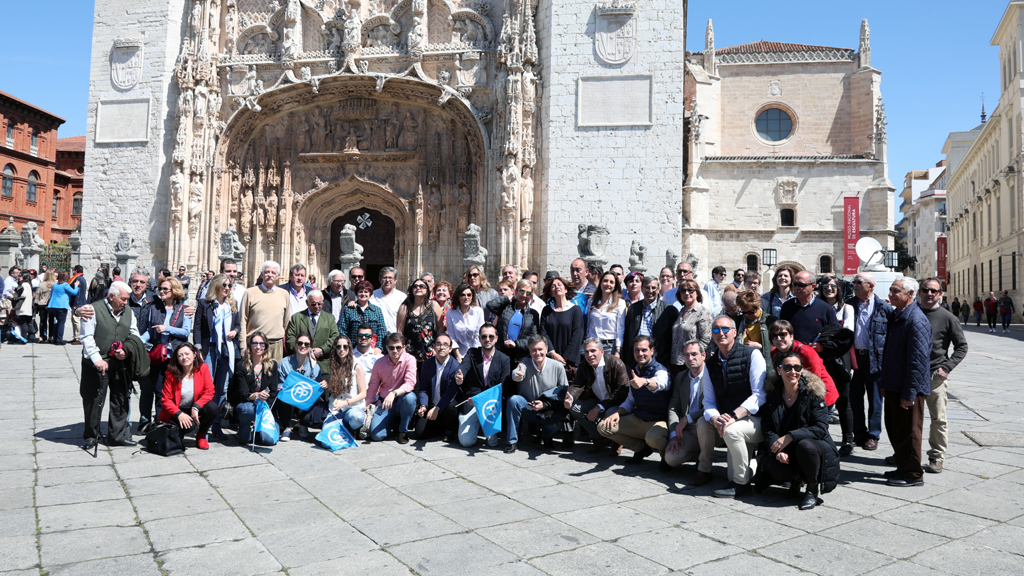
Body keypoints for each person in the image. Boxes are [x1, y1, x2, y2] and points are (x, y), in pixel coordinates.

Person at [755, 351, 840, 509]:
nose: (793, 371)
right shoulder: (773, 393)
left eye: (797, 367)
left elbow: (820, 428)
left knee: (805, 446)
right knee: (774, 469)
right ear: (779, 370)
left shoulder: (812, 392)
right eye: (787, 367)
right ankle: (795, 479)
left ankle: (812, 489)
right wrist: (776, 447)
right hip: (787, 447)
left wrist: (790, 437)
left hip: (814, 447)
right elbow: (767, 426)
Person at [699, 315, 767, 498]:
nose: (720, 333)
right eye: (715, 330)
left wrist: (733, 416)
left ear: (735, 333)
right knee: (702, 422)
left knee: (732, 432)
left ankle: (741, 485)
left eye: (725, 329)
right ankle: (705, 470)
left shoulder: (752, 355)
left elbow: (759, 395)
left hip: (756, 419)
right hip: (728, 420)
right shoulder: (710, 364)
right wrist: (716, 418)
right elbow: (709, 401)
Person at [880, 277, 932, 487]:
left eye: (896, 291)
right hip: (894, 385)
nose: (891, 294)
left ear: (910, 294)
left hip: (907, 388)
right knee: (896, 430)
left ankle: (912, 474)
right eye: (891, 290)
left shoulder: (916, 320)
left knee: (910, 433)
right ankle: (903, 467)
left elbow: (918, 362)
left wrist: (909, 393)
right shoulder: (898, 315)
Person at [80, 281, 143, 449]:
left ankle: (117, 435)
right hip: (96, 363)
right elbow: (86, 337)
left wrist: (127, 350)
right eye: (123, 299)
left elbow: (134, 334)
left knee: (120, 398)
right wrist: (97, 359)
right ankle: (91, 435)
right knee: (94, 399)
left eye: (127, 299)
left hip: (119, 363)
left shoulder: (128, 312)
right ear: (111, 296)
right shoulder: (92, 310)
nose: (125, 302)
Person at [917, 278, 968, 474]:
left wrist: (947, 367)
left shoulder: (948, 318)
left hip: (934, 375)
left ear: (940, 294)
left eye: (933, 291)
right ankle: (905, 454)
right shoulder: (911, 313)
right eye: (925, 290)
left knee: (938, 418)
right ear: (919, 292)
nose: (929, 294)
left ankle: (936, 456)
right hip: (911, 375)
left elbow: (962, 346)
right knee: (908, 418)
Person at [598, 336, 672, 465]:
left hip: (658, 421)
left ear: (652, 350)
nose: (640, 354)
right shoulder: (634, 370)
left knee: (653, 438)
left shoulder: (661, 370)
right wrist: (617, 413)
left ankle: (665, 457)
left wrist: (645, 381)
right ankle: (641, 449)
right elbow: (630, 401)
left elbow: (661, 383)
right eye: (637, 350)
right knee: (604, 427)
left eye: (644, 350)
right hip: (639, 420)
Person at [846, 272, 893, 452]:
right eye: (854, 282)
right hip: (854, 358)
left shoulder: (883, 307)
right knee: (855, 398)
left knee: (875, 400)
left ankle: (873, 436)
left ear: (870, 286)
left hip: (875, 359)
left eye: (859, 282)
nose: (854, 285)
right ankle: (859, 433)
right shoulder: (849, 305)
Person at [140, 276, 193, 428]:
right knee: (159, 391)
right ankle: (159, 423)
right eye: (160, 288)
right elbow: (150, 331)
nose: (161, 291)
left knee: (174, 392)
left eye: (165, 289)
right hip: (158, 356)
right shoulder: (154, 308)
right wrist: (137, 341)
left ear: (174, 291)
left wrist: (166, 328)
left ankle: (172, 422)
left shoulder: (184, 309)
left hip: (175, 357)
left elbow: (185, 332)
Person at [193, 274, 240, 439]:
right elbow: (197, 327)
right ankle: (203, 427)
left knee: (222, 389)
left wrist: (235, 331)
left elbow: (238, 325)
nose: (227, 288)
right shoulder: (204, 304)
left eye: (229, 285)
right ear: (217, 286)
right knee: (207, 387)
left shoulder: (232, 305)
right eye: (224, 285)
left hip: (226, 350)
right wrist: (198, 349)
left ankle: (217, 424)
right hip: (210, 349)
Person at [661, 341, 716, 482]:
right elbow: (674, 407)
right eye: (686, 355)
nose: (690, 358)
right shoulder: (681, 377)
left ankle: (704, 469)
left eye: (694, 354)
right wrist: (673, 434)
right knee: (671, 458)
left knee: (703, 422)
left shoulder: (713, 375)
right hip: (689, 431)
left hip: (711, 427)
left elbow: (715, 406)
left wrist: (689, 418)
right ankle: (701, 453)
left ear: (703, 355)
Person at [505, 335, 568, 453]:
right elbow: (517, 373)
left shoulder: (557, 366)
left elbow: (563, 392)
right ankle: (512, 441)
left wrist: (545, 405)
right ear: (529, 351)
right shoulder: (524, 363)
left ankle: (546, 435)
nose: (537, 353)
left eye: (540, 349)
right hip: (529, 408)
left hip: (549, 409)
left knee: (559, 417)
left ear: (546, 349)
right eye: (533, 350)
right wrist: (517, 376)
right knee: (513, 400)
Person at [566, 338, 629, 452]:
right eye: (586, 352)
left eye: (593, 351)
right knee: (574, 407)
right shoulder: (584, 365)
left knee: (610, 413)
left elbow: (621, 393)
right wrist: (571, 397)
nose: (590, 355)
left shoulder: (616, 363)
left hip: (616, 404)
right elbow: (577, 384)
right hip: (597, 401)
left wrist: (599, 407)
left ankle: (618, 440)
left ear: (602, 351)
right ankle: (600, 438)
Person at [454, 323, 511, 447]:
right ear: (479, 338)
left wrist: (482, 400)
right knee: (466, 442)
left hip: (491, 405)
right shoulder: (472, 353)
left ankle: (488, 429)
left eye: (491, 336)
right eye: (484, 336)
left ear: (496, 338)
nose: (487, 339)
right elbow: (463, 367)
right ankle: (473, 423)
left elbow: (502, 387)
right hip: (471, 403)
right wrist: (460, 376)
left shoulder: (504, 359)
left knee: (493, 444)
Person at [159, 342, 216, 449]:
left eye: (187, 354)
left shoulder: (203, 368)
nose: (184, 357)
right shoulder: (170, 373)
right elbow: (166, 399)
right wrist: (179, 413)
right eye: (180, 355)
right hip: (177, 410)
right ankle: (177, 434)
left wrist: (197, 406)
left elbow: (210, 391)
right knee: (189, 426)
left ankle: (201, 435)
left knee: (212, 408)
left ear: (194, 354)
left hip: (195, 407)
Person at [768, 320, 838, 407]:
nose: (778, 339)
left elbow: (815, 381)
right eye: (774, 336)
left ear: (791, 336)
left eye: (782, 335)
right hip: (793, 395)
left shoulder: (806, 352)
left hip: (820, 394)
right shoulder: (774, 352)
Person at [365, 333, 418, 443]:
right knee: (377, 436)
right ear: (386, 348)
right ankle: (393, 423)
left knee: (411, 398)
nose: (395, 351)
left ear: (404, 347)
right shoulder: (379, 363)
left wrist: (393, 393)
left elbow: (410, 383)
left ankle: (403, 430)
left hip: (401, 400)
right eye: (391, 347)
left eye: (398, 347)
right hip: (385, 402)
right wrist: (367, 405)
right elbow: (373, 386)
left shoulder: (410, 360)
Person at [230, 332, 280, 444]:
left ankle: (257, 433)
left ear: (266, 346)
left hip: (265, 407)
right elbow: (243, 393)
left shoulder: (272, 365)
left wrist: (264, 411)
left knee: (269, 440)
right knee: (247, 410)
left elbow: (273, 392)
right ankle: (244, 432)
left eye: (262, 344)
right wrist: (257, 395)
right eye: (255, 343)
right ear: (250, 346)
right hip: (248, 404)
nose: (258, 347)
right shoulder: (241, 366)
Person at [276, 332, 325, 441]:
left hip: (304, 399)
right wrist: (280, 387)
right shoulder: (284, 363)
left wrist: (322, 385)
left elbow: (316, 390)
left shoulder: (315, 367)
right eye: (300, 343)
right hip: (288, 399)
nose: (303, 346)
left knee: (310, 398)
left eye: (306, 344)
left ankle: (303, 424)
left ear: (310, 347)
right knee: (283, 396)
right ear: (295, 344)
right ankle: (287, 427)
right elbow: (279, 383)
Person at [412, 334, 461, 441]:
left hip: (446, 405)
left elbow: (451, 392)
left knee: (451, 406)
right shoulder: (427, 364)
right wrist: (423, 405)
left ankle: (450, 430)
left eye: (445, 345)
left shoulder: (455, 366)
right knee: (420, 434)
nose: (441, 347)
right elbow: (424, 388)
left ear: (450, 349)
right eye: (438, 344)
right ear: (434, 347)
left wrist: (437, 408)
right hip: (431, 406)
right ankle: (439, 426)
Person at [239, 261, 291, 361]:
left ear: (278, 276)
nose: (270, 275)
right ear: (262, 274)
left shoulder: (284, 294)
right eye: (267, 272)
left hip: (276, 345)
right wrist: (243, 345)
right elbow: (242, 320)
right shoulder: (250, 293)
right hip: (255, 345)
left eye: (273, 273)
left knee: (273, 375)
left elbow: (286, 321)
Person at [622, 276, 678, 368]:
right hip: (636, 358)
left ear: (658, 289)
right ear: (642, 289)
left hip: (659, 359)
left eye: (653, 288)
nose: (650, 290)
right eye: (647, 287)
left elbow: (673, 338)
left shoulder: (668, 310)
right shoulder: (633, 309)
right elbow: (627, 334)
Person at [317, 334, 368, 434]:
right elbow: (334, 390)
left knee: (356, 417)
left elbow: (363, 394)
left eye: (345, 347)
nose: (342, 349)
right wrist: (327, 385)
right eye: (338, 347)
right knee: (327, 439)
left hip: (353, 407)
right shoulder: (332, 366)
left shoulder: (356, 367)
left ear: (349, 348)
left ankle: (352, 429)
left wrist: (346, 402)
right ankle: (341, 428)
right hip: (336, 408)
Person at [487, 279, 541, 363]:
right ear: (515, 291)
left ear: (531, 296)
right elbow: (490, 305)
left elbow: (533, 338)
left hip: (520, 357)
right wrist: (507, 299)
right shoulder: (506, 307)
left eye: (528, 293)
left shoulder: (533, 314)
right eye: (522, 291)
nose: (525, 295)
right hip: (501, 353)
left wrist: (516, 344)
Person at [286, 290, 339, 375]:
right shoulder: (297, 318)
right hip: (300, 365)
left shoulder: (330, 318)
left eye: (320, 303)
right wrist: (303, 350)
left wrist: (322, 350)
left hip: (323, 366)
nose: (317, 306)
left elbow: (335, 337)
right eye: (313, 304)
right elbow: (290, 338)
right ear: (307, 302)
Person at [540, 274, 585, 372]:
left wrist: (565, 358)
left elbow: (578, 333)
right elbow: (543, 333)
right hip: (551, 359)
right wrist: (552, 353)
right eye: (553, 286)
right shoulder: (546, 310)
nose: (557, 287)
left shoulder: (575, 310)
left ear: (565, 289)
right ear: (551, 292)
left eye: (559, 285)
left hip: (569, 362)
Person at [779, 270, 838, 345]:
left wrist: (822, 346)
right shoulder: (787, 306)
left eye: (801, 285)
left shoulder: (825, 308)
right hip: (793, 354)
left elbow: (835, 333)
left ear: (813, 286)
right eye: (795, 284)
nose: (797, 288)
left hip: (817, 354)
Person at [396, 279, 444, 364]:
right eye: (415, 286)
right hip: (409, 352)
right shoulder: (405, 307)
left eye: (421, 286)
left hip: (430, 351)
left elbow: (440, 328)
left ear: (427, 290)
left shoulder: (434, 305)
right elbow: (400, 331)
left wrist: (437, 347)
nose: (418, 288)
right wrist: (402, 348)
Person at [670, 279, 713, 370]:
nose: (686, 293)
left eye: (690, 290)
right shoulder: (681, 311)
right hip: (676, 361)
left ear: (697, 293)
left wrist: (693, 356)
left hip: (692, 363)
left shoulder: (703, 312)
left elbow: (706, 339)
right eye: (683, 290)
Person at [586, 272, 627, 356]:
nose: (608, 284)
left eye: (611, 282)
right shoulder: (591, 301)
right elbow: (589, 323)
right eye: (605, 281)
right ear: (600, 283)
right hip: (593, 343)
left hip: (609, 345)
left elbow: (620, 328)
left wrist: (618, 350)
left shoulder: (620, 303)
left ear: (615, 286)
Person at [340, 280, 388, 349]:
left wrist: (379, 347)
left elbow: (382, 331)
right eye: (360, 292)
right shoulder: (348, 309)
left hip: (372, 349)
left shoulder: (377, 310)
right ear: (356, 293)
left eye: (366, 292)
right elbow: (342, 330)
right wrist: (346, 347)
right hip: (353, 349)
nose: (363, 294)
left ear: (370, 294)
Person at [737, 289, 776, 367]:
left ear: (758, 306)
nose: (748, 315)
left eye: (751, 312)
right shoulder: (739, 320)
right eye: (744, 312)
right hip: (743, 363)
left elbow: (777, 345)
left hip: (763, 363)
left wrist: (760, 346)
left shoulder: (770, 321)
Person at [446, 283, 484, 361]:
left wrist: (476, 355)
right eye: (463, 295)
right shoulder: (450, 312)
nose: (466, 297)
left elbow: (479, 334)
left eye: (469, 295)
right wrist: (458, 357)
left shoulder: (478, 311)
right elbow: (452, 336)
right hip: (458, 354)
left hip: (475, 353)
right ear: (458, 297)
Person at [46, 271, 79, 345]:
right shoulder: (65, 285)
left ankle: (55, 338)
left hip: (53, 305)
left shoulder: (55, 285)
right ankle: (59, 340)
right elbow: (74, 292)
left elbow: (51, 294)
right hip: (61, 306)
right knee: (61, 323)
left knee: (56, 323)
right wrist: (76, 286)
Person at [371, 267, 406, 334]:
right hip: (377, 335)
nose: (387, 280)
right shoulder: (372, 296)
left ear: (395, 280)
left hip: (395, 335)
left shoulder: (402, 297)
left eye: (390, 278)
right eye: (385, 277)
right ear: (380, 279)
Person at [12, 271, 35, 342]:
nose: (18, 277)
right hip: (27, 306)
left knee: (23, 323)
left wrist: (15, 294)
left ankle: (23, 338)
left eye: (20, 276)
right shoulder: (28, 284)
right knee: (25, 322)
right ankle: (25, 337)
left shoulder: (24, 284)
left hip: (23, 307)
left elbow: (23, 294)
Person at [69, 265, 88, 344]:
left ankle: (78, 338)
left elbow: (78, 293)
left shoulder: (77, 279)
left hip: (78, 303)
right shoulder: (82, 278)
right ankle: (76, 337)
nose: (72, 271)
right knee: (75, 320)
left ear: (76, 270)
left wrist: (76, 304)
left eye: (73, 269)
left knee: (76, 320)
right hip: (81, 302)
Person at [34, 270, 55, 342]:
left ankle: (41, 336)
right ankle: (51, 336)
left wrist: (36, 303)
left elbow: (37, 294)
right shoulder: (55, 284)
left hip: (42, 304)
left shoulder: (41, 284)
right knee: (51, 321)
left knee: (43, 321)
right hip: (52, 304)